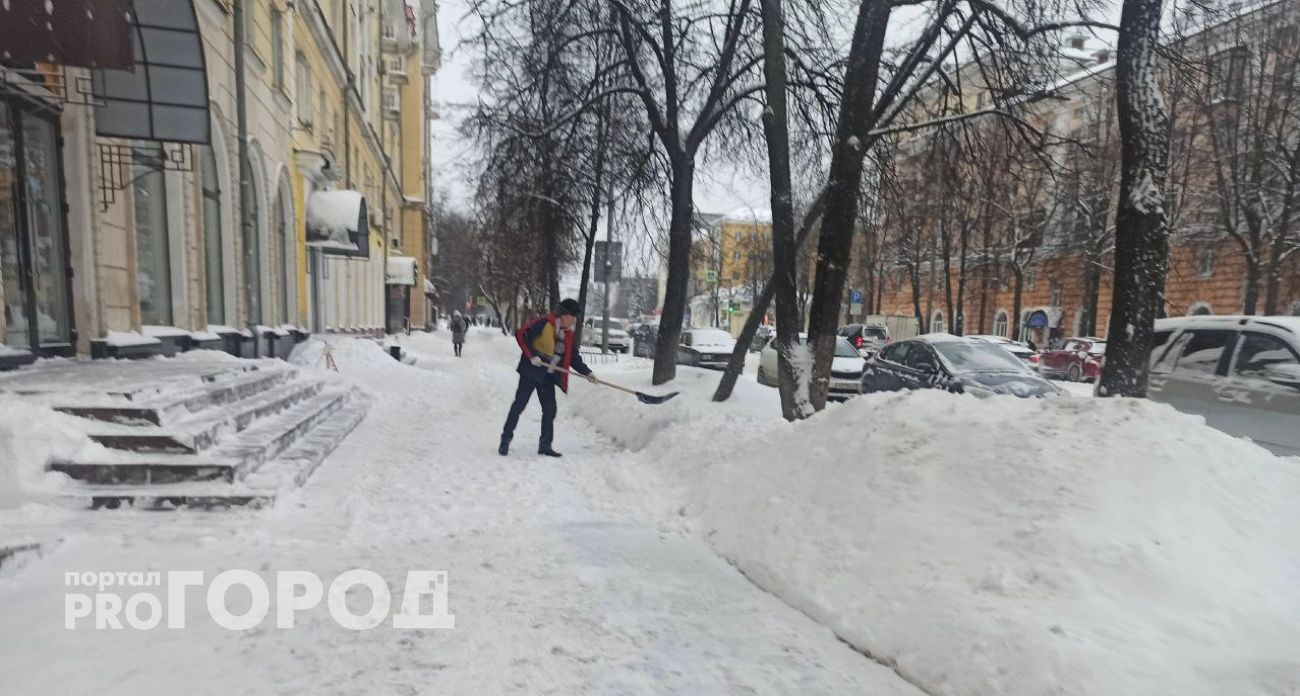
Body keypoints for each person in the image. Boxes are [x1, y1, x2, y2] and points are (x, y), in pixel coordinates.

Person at [499, 298, 597, 458]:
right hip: (531, 371)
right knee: (519, 405)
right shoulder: (544, 323)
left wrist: (587, 373)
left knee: (550, 410)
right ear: (564, 314)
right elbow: (521, 334)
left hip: (548, 376)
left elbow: (573, 357)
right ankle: (505, 439)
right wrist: (531, 356)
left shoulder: (568, 335)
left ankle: (545, 445)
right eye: (573, 316)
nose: (574, 320)